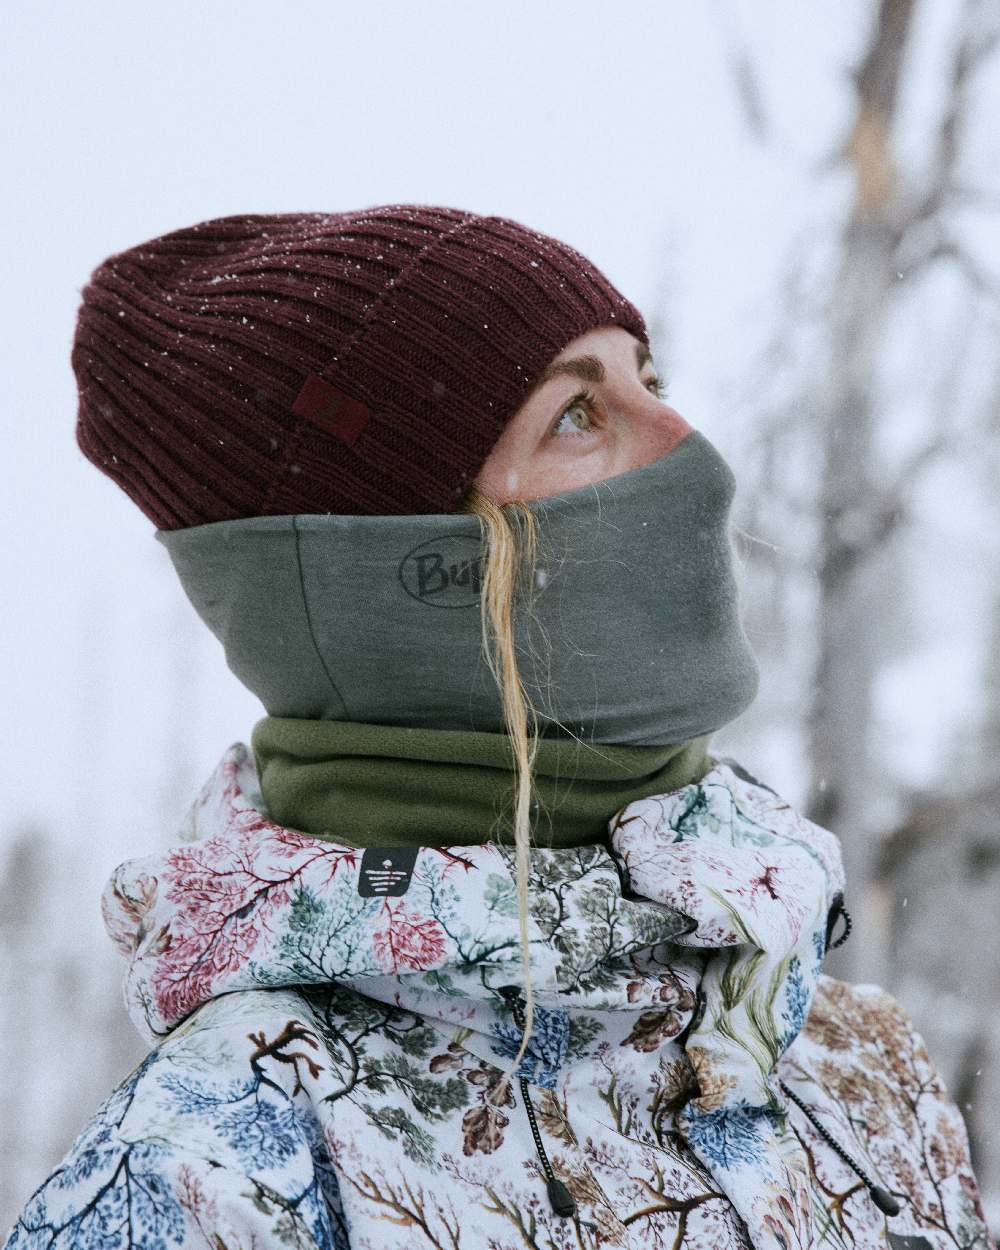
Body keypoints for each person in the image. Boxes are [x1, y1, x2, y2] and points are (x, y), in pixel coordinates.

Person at [3, 206, 993, 1250]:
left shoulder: (864, 1068)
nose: (689, 452)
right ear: (389, 573)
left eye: (648, 383)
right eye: (576, 412)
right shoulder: (221, 1170)